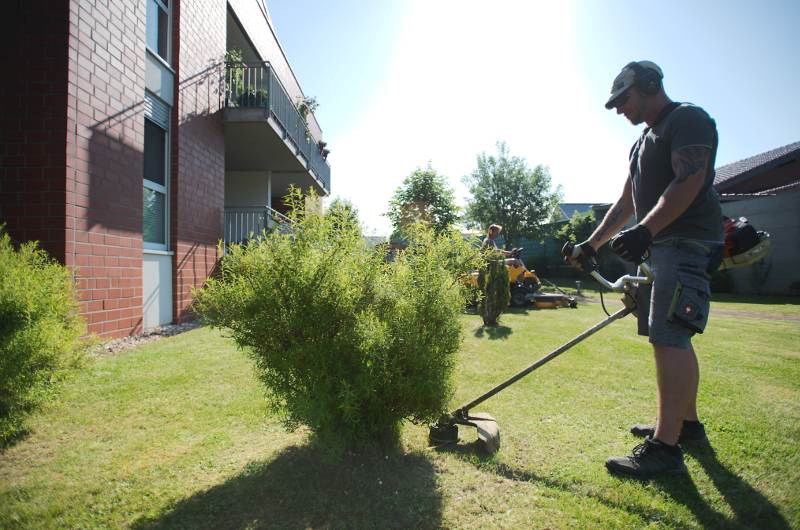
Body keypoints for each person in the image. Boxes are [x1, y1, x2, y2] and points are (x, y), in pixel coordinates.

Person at [565, 61, 724, 478]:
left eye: (624, 99)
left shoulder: (687, 119)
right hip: (660, 247)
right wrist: (591, 244)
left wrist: (646, 231)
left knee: (670, 338)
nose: (619, 109)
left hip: (685, 243)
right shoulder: (641, 144)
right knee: (666, 339)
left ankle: (665, 449)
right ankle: (685, 427)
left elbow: (690, 179)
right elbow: (626, 203)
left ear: (650, 85)